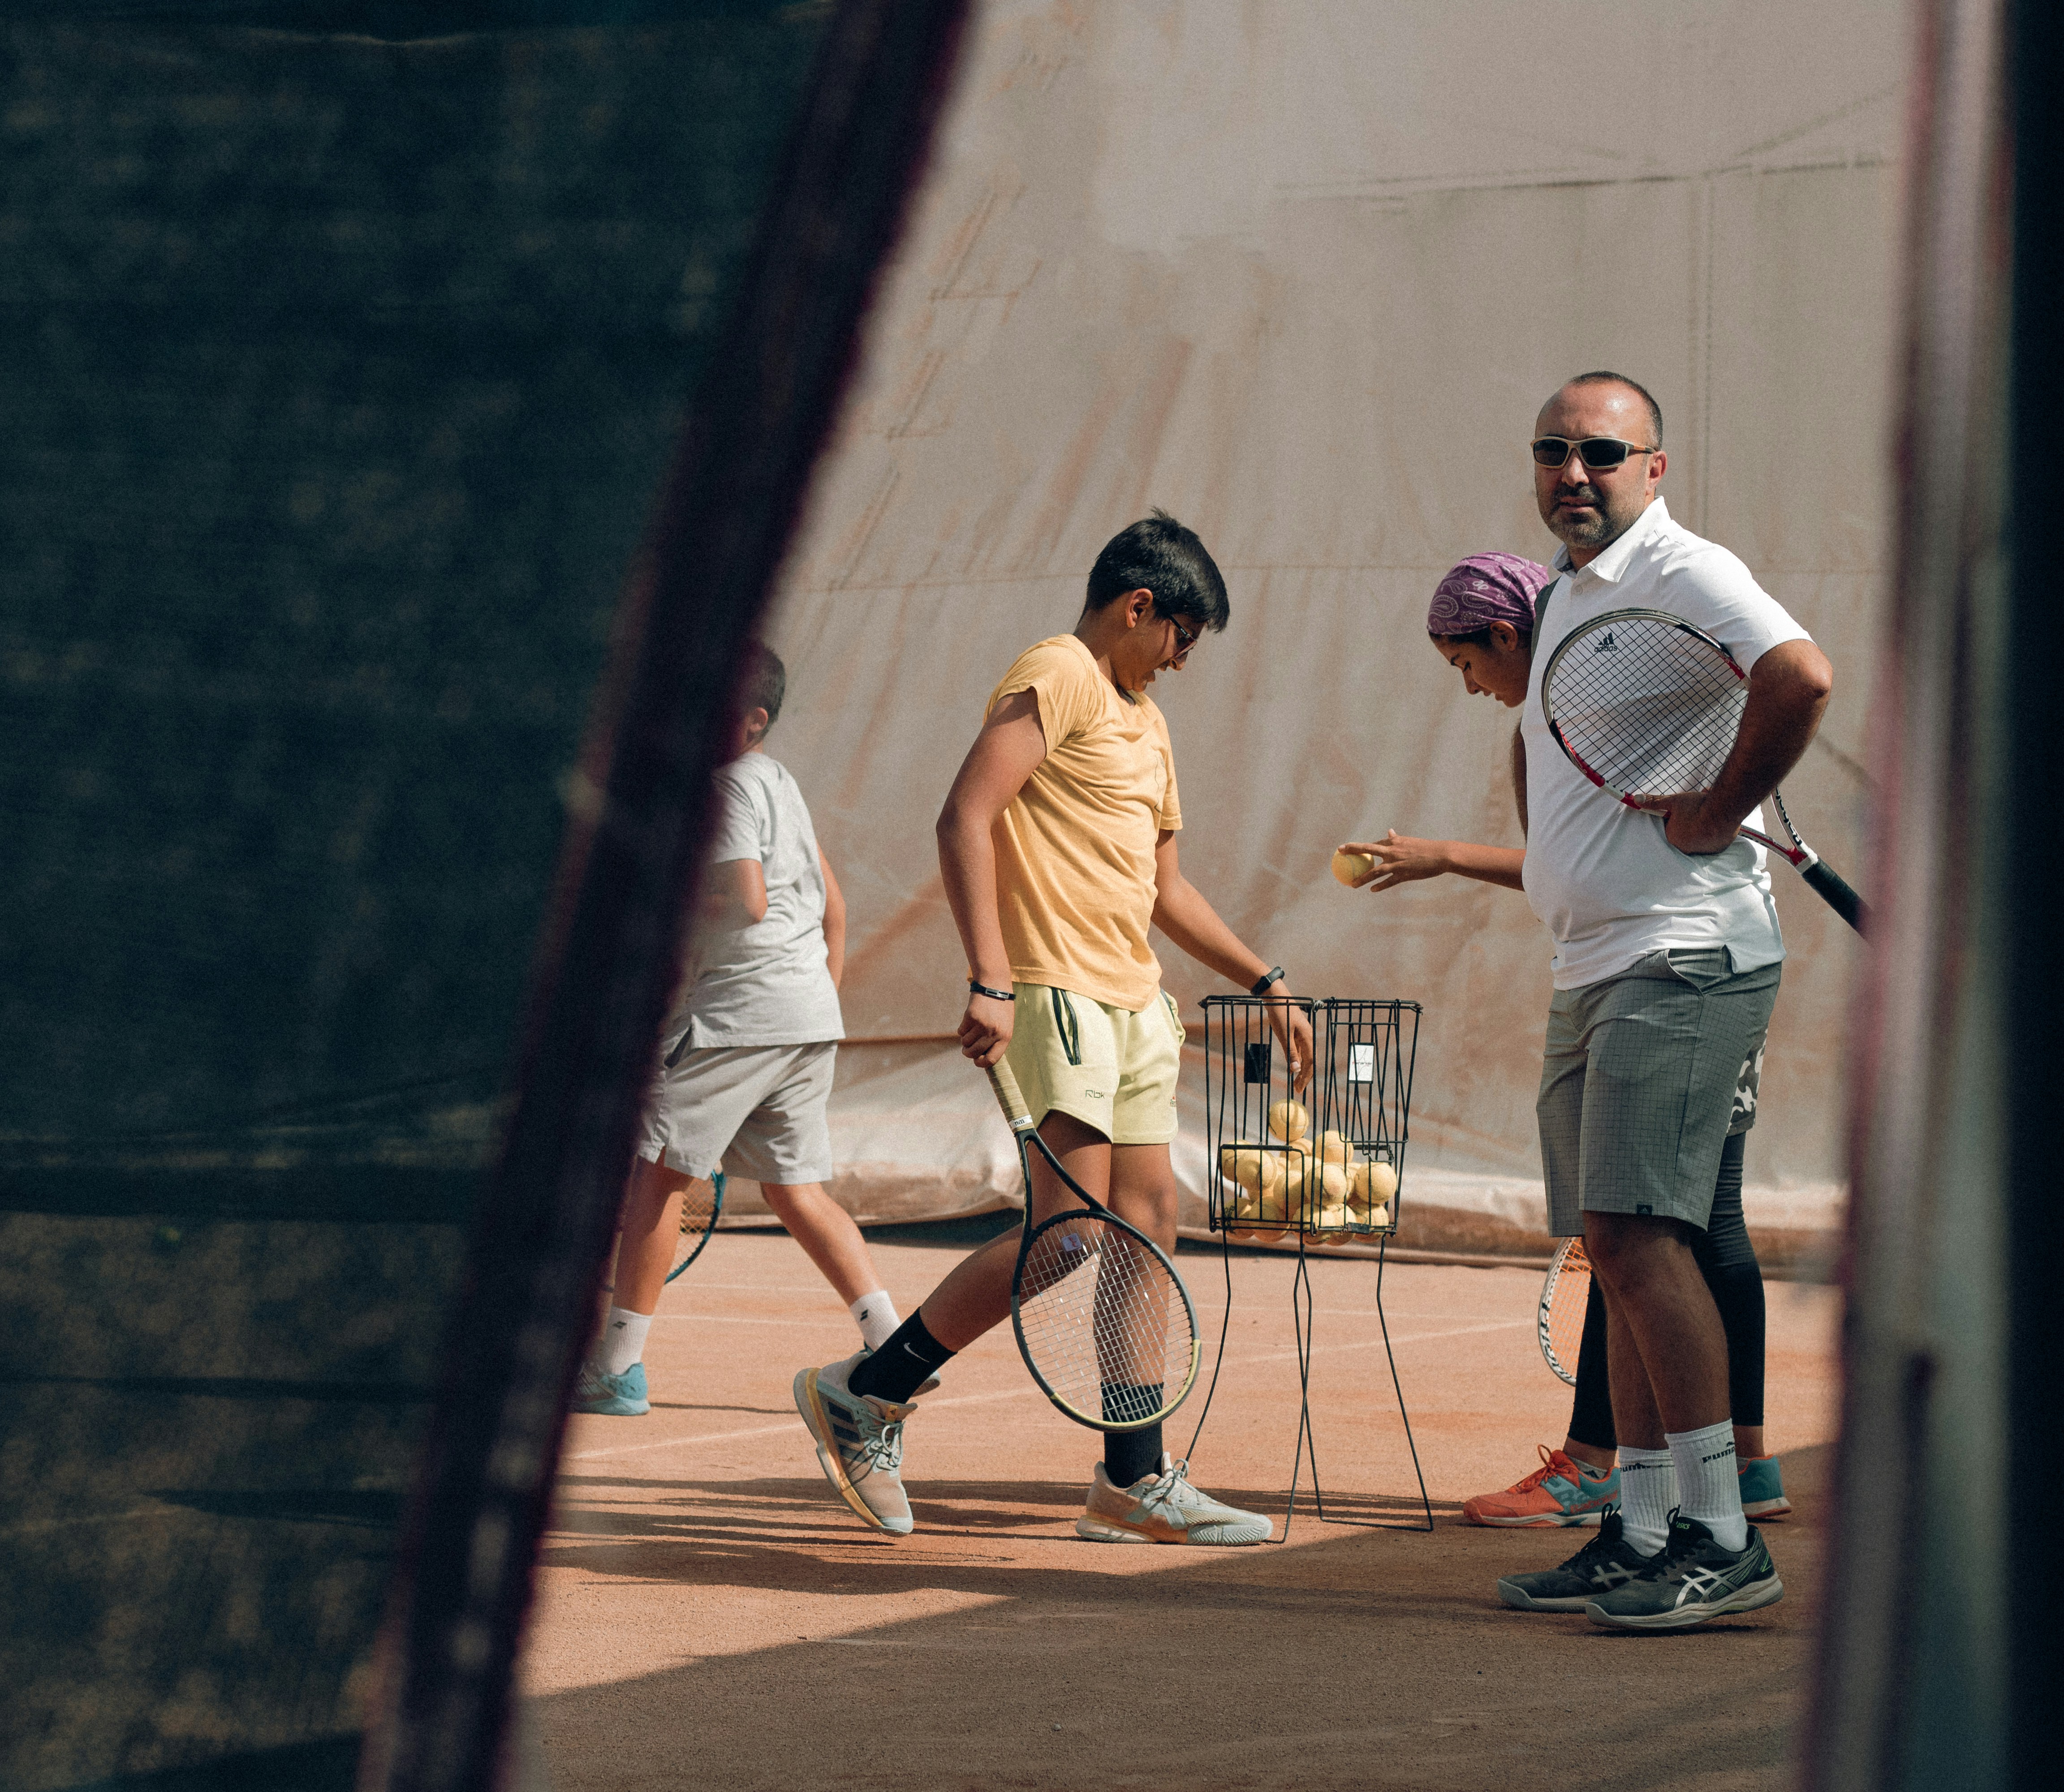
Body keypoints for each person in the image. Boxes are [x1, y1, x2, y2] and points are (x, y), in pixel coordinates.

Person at [790, 510, 1312, 1542]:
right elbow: (966, 814)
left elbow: (1165, 885)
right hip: (1056, 992)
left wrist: (1265, 976)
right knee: (1070, 1233)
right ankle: (867, 1393)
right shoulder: (1061, 670)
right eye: (1180, 639)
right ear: (1139, 606)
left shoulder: (1148, 721)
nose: (1180, 662)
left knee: (1147, 1229)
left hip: (1134, 1003)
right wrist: (991, 974)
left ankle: (1131, 1480)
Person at [1340, 552, 1793, 1532]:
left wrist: (1447, 855)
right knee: (1693, 1221)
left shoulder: (1595, 703)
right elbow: (1569, 872)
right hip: (1665, 967)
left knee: (1632, 1229)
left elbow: (1583, 860)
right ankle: (1728, 1473)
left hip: (1681, 974)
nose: (1468, 687)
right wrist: (1450, 856)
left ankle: (1635, 1481)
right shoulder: (1581, 712)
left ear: (1506, 636)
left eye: (1465, 663)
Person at [573, 644, 910, 1416]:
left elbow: (745, 902)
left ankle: (617, 1368)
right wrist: (815, 998)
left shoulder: (721, 790)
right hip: (802, 1017)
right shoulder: (780, 785)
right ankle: (892, 1346)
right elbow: (834, 907)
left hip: (737, 1017)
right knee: (798, 1190)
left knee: (657, 1177)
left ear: (751, 721)